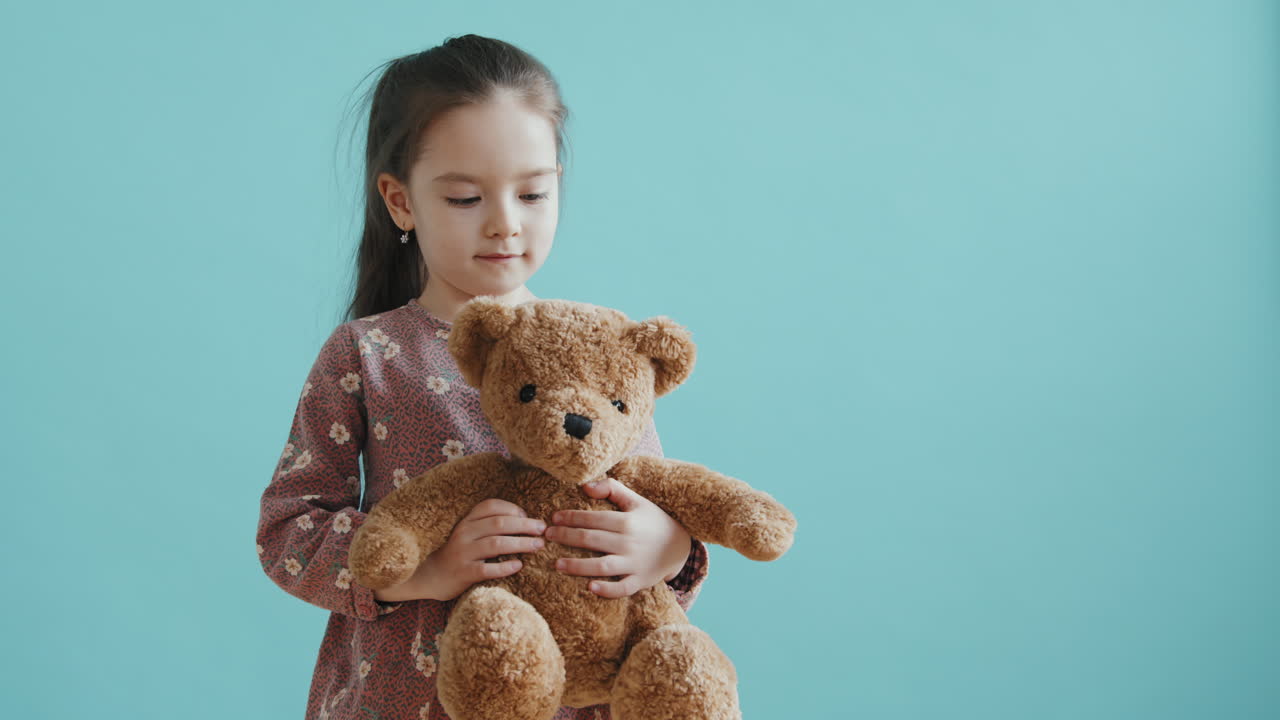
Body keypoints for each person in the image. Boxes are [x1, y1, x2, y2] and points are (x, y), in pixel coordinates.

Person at [255, 34, 709, 720]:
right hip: (408, 697)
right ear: (401, 202)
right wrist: (424, 570)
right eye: (465, 198)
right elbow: (288, 529)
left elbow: (647, 497)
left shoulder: (605, 353)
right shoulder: (367, 354)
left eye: (532, 193)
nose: (505, 224)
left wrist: (669, 548)